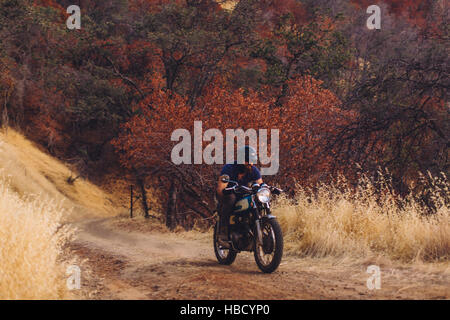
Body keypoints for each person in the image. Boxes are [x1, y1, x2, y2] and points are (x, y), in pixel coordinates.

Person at [216, 146, 263, 242]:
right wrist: (225, 194)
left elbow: (260, 184)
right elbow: (220, 189)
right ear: (241, 160)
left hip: (243, 195)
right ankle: (223, 229)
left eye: (252, 161)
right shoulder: (228, 168)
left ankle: (255, 225)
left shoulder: (253, 170)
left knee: (258, 199)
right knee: (231, 198)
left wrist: (266, 188)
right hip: (228, 195)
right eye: (247, 161)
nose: (250, 164)